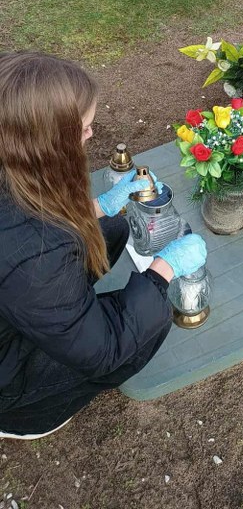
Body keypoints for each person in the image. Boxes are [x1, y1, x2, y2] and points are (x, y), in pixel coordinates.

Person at [0, 51, 207, 440]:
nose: (91, 134)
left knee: (109, 229)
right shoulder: (36, 254)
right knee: (143, 329)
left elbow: (30, 215)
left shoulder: (11, 168)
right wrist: (165, 269)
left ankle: (60, 317)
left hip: (16, 301)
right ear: (47, 142)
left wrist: (99, 206)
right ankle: (24, 417)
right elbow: (105, 349)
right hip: (7, 372)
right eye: (83, 128)